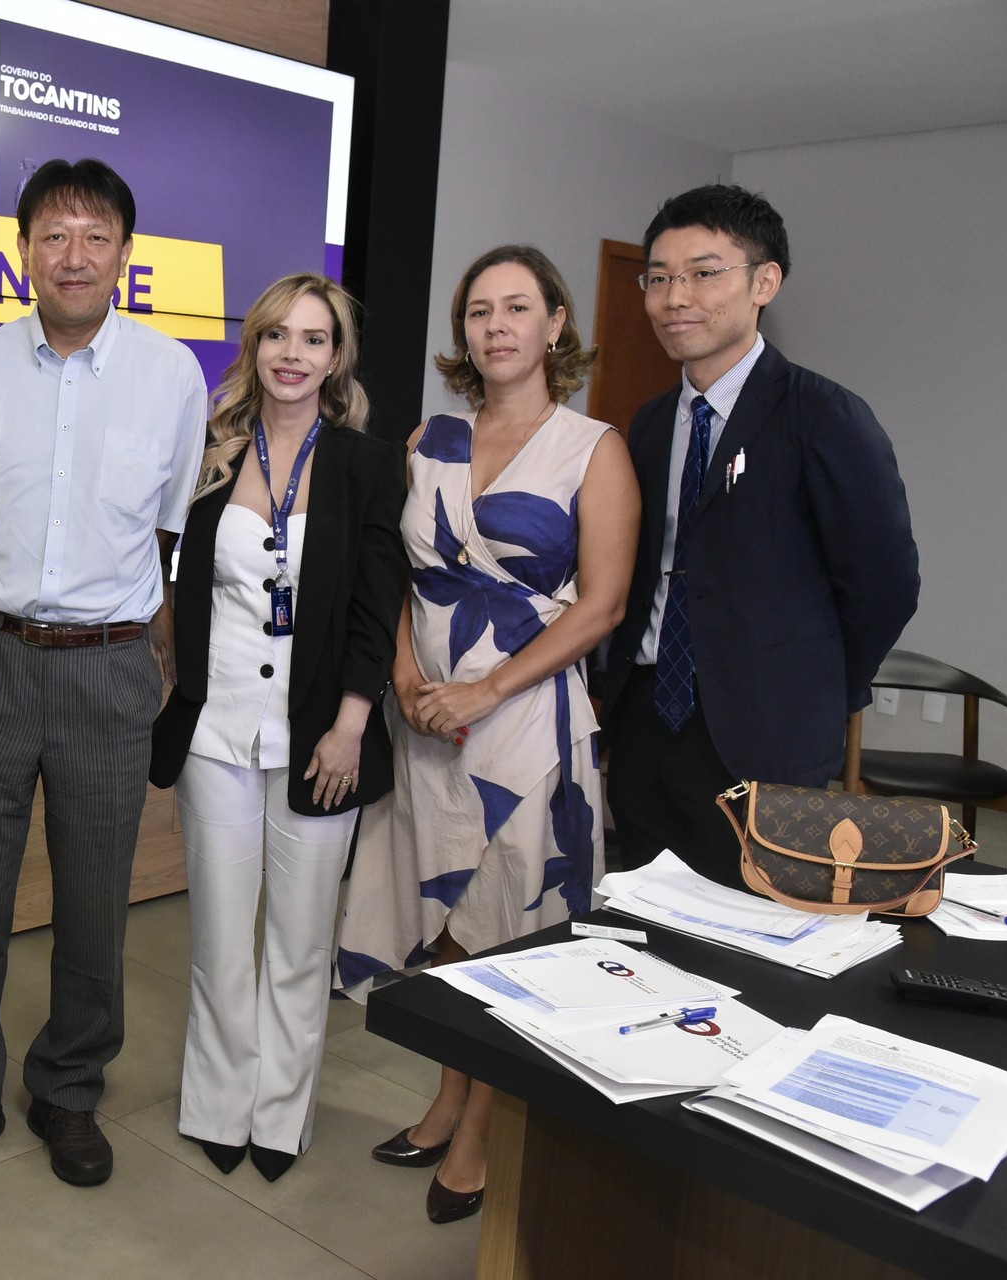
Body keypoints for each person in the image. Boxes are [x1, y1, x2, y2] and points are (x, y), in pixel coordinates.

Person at [0, 158, 207, 1189]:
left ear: (125, 252)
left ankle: (70, 1090)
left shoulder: (172, 375)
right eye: (53, 234)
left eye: (95, 235)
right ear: (22, 248)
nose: (73, 254)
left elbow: (169, 538)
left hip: (109, 669)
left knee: (93, 904)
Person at [332, 245, 640, 1223]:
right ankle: (452, 1088)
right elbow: (396, 577)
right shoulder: (430, 437)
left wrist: (483, 691)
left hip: (525, 724)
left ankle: (482, 1124)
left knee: (506, 926)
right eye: (478, 310)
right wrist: (412, 679)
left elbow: (602, 605)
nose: (496, 324)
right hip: (425, 721)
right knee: (447, 923)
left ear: (557, 323)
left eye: (518, 307)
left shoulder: (593, 446)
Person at [149, 274, 407, 1182]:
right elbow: (173, 578)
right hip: (216, 733)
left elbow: (379, 610)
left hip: (319, 740)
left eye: (314, 339)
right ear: (253, 348)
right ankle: (218, 1105)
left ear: (336, 359)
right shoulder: (211, 452)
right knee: (221, 937)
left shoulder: (367, 465)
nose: (293, 355)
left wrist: (350, 724)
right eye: (276, 337)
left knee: (298, 945)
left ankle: (280, 1116)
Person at [604, 185, 919, 886]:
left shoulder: (825, 415)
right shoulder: (652, 424)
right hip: (648, 719)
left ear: (764, 282)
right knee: (642, 917)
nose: (675, 296)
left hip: (766, 733)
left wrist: (808, 689)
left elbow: (884, 584)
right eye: (658, 278)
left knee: (756, 933)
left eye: (704, 273)